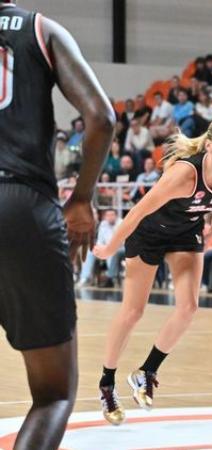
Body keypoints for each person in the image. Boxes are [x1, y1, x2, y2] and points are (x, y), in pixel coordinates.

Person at [0, 2, 115, 449]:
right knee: (52, 395)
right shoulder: (39, 28)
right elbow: (101, 117)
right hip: (21, 205)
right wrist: (81, 198)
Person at [92, 117, 212, 425]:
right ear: (209, 145)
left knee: (189, 307)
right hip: (149, 231)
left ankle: (147, 371)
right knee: (133, 312)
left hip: (185, 233)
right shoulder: (184, 174)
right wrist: (111, 247)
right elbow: (138, 210)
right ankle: (107, 383)